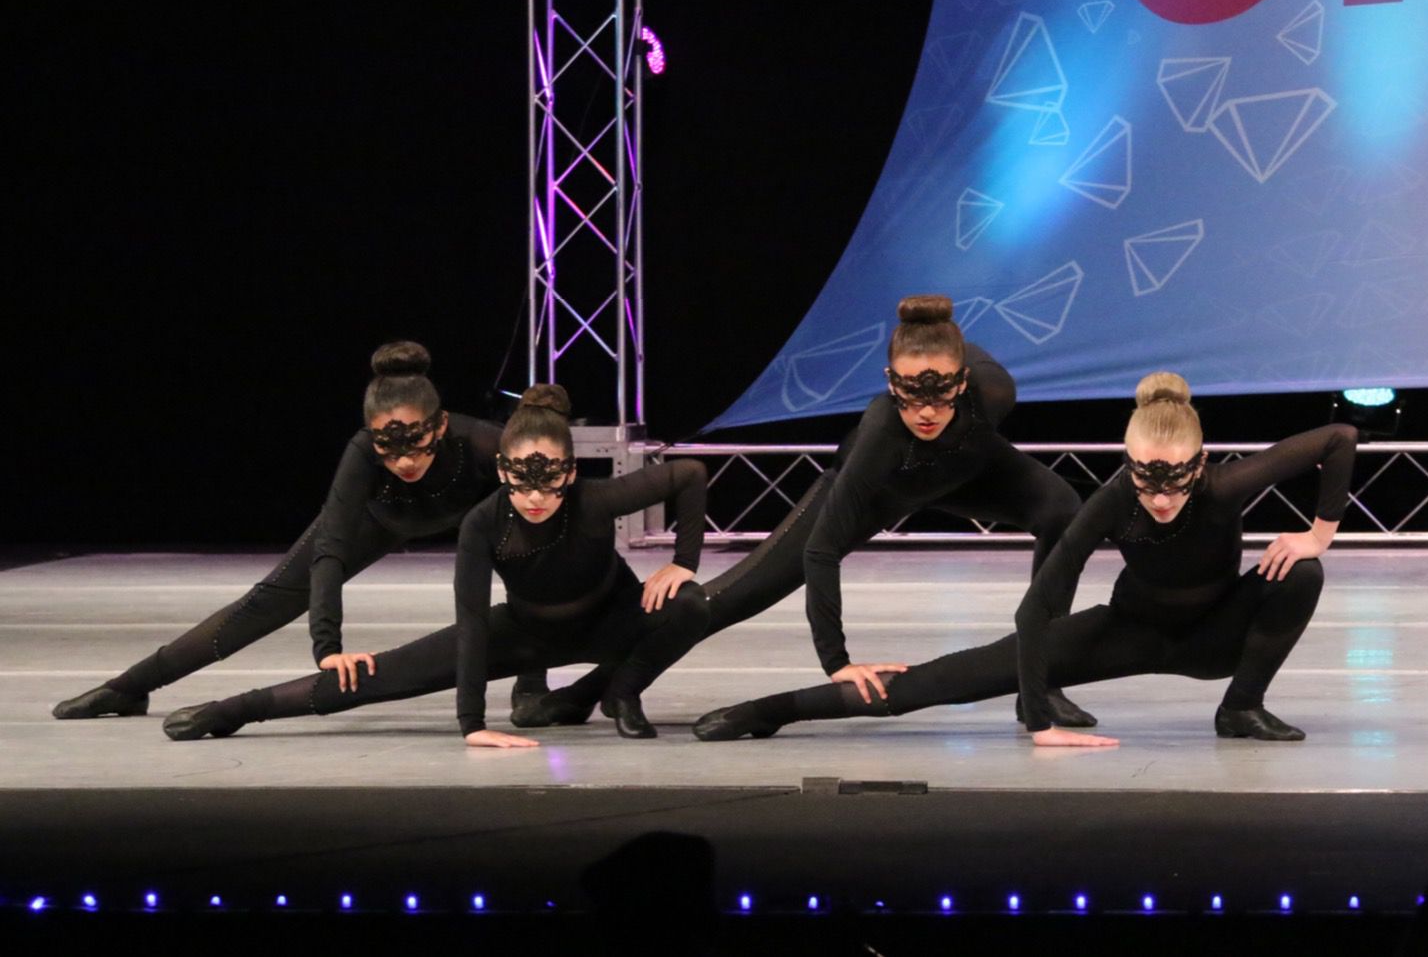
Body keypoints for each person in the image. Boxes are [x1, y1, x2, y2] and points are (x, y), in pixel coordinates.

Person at [521, 294, 1094, 730]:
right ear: (889, 383)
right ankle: (587, 691)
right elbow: (822, 550)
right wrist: (836, 661)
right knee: (726, 600)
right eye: (908, 395)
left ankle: (1038, 681)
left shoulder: (993, 391)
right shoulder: (879, 433)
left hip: (969, 472)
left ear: (963, 381)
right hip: (873, 492)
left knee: (1062, 507)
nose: (924, 412)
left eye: (940, 394)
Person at [692, 372, 1356, 746]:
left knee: (1301, 570)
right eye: (1145, 480)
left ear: (1200, 464)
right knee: (946, 678)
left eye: (1175, 481)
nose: (1159, 499)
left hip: (1217, 634)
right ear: (1129, 467)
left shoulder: (1227, 487)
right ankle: (770, 709)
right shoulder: (1114, 498)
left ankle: (1241, 707)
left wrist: (1319, 531)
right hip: (1126, 631)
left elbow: (1339, 435)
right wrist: (1038, 718)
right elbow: (1039, 604)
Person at [161, 384, 710, 744]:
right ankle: (233, 710)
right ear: (500, 470)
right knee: (380, 675)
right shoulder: (482, 524)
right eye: (522, 480)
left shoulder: (596, 500)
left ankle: (616, 691)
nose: (535, 496)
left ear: (570, 472)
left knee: (692, 603)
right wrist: (472, 724)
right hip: (525, 633)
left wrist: (683, 561)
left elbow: (688, 475)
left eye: (551, 480)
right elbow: (471, 623)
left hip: (610, 620)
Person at [52, 341, 549, 721]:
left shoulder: (482, 443)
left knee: (531, 558)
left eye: (416, 445)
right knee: (266, 601)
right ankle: (130, 687)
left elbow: (559, 493)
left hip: (481, 515)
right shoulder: (361, 454)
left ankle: (532, 684)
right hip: (379, 521)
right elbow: (330, 549)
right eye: (389, 449)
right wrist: (327, 648)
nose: (404, 462)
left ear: (440, 426)